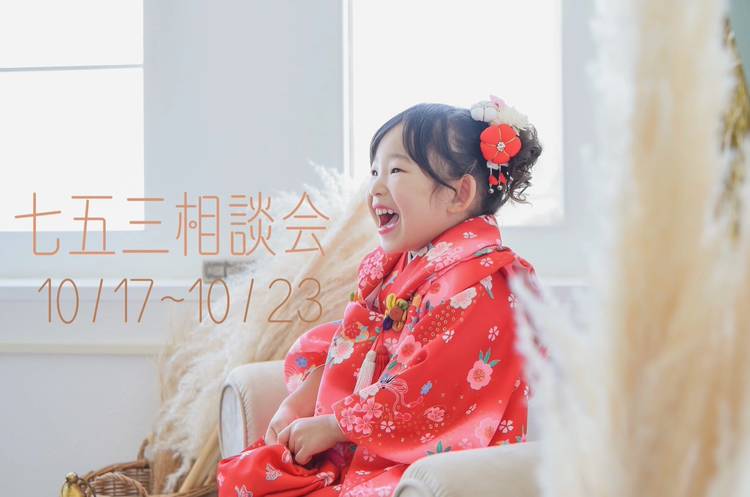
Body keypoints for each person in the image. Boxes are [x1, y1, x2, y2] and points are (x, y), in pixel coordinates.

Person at [217, 96, 543, 497]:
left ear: (459, 194)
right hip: (366, 446)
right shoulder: (399, 267)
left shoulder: (484, 283)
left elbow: (432, 391)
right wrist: (302, 400)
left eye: (396, 170)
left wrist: (335, 425)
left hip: (433, 468)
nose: (375, 187)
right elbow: (356, 346)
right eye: (375, 171)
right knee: (251, 475)